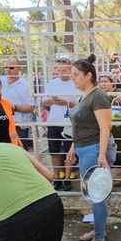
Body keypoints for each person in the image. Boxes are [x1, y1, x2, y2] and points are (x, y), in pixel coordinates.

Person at [65, 55, 116, 241]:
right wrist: (73, 147)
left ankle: (99, 239)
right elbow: (79, 126)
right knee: (93, 194)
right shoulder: (85, 97)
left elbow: (105, 128)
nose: (73, 79)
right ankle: (99, 230)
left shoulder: (98, 96)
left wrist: (101, 155)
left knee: (97, 196)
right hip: (84, 149)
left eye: (76, 75)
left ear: (88, 75)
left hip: (94, 150)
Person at [43, 58, 79, 191]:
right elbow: (44, 102)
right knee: (54, 152)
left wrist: (64, 101)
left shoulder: (76, 83)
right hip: (53, 122)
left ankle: (67, 178)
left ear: (70, 70)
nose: (62, 72)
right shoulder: (51, 84)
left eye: (65, 69)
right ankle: (57, 178)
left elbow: (79, 103)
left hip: (70, 123)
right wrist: (52, 101)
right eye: (60, 69)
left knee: (69, 152)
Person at [99, 74, 121, 181]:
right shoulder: (98, 94)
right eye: (101, 82)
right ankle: (106, 176)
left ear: (112, 82)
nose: (103, 84)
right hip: (103, 128)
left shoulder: (119, 91)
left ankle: (118, 176)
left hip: (118, 128)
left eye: (105, 81)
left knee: (120, 150)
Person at [0, 58, 36, 151]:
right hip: (1, 124)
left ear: (19, 68)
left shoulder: (26, 85)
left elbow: (31, 107)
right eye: (6, 67)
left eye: (11, 67)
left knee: (21, 153)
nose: (8, 69)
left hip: (19, 126)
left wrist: (14, 107)